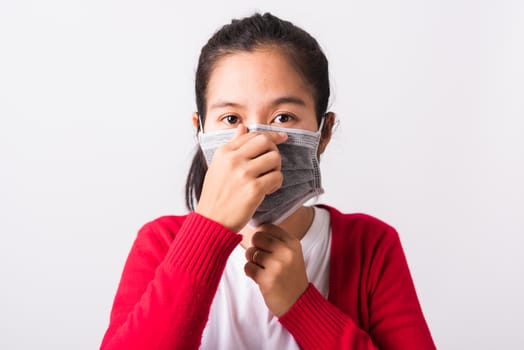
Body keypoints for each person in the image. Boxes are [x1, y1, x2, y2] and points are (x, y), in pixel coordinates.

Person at [100, 12, 436, 350]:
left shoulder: (370, 247)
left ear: (324, 132)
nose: (257, 140)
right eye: (231, 118)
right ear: (200, 132)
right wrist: (206, 232)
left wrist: (302, 305)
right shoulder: (161, 244)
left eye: (283, 117)